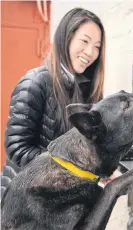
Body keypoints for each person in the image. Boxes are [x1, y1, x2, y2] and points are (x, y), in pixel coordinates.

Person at [1, 8, 106, 195]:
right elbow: (17, 148)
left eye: (97, 47)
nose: (90, 52)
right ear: (66, 38)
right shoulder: (35, 82)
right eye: (84, 41)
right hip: (22, 201)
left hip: (58, 199)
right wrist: (70, 166)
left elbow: (104, 134)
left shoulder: (87, 89)